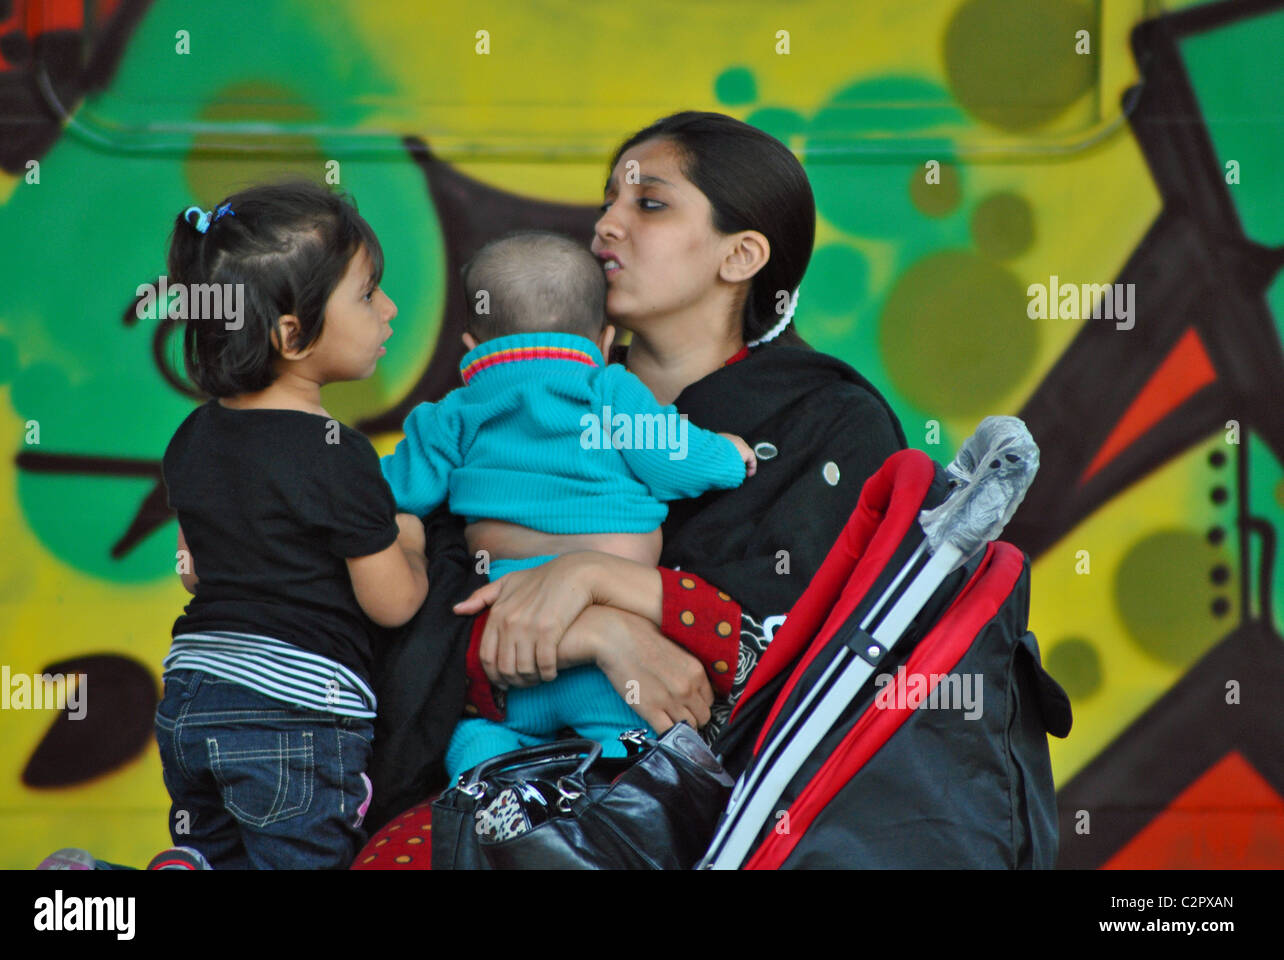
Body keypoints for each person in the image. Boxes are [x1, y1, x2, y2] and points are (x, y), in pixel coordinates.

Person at [363, 111, 906, 848]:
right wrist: (600, 633)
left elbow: (821, 661)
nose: (604, 229)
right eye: (606, 205)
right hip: (500, 804)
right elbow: (417, 610)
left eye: (647, 203)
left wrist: (598, 580)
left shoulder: (829, 423)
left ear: (741, 255)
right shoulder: (529, 403)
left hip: (731, 834)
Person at [379, 230, 757, 782]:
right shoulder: (607, 388)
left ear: (469, 347)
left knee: (479, 739)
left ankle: (488, 781)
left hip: (508, 649)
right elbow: (676, 462)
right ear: (605, 339)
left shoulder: (453, 412)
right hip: (610, 674)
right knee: (638, 756)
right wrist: (728, 453)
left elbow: (396, 491)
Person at [154, 181, 429, 869]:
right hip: (295, 710)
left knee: (221, 855)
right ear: (291, 333)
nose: (389, 310)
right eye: (368, 295)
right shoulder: (333, 452)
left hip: (191, 694)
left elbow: (194, 574)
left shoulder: (192, 436)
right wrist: (412, 542)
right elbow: (393, 603)